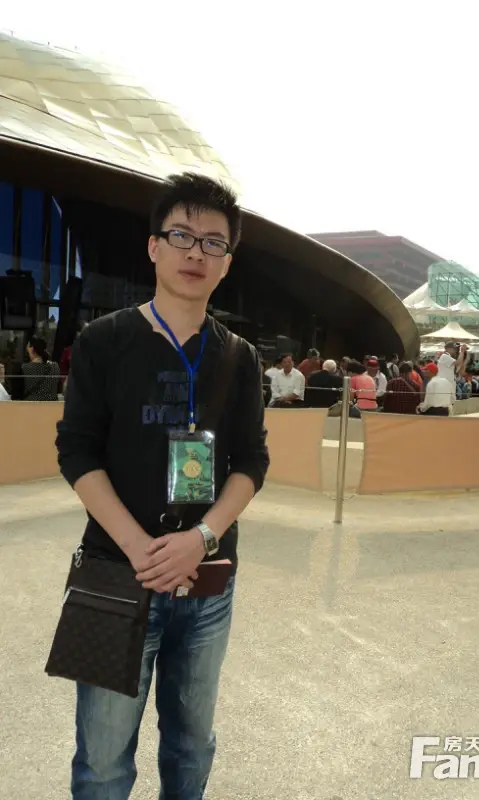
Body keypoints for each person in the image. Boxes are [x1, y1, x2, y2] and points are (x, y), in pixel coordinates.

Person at [55, 172, 269, 798]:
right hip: (115, 575)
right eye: (181, 236)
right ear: (153, 246)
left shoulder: (239, 356)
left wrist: (201, 538)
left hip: (208, 582)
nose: (195, 253)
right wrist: (141, 550)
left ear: (227, 262)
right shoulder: (103, 342)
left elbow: (251, 462)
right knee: (102, 761)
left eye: (213, 242)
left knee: (191, 747)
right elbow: (77, 451)